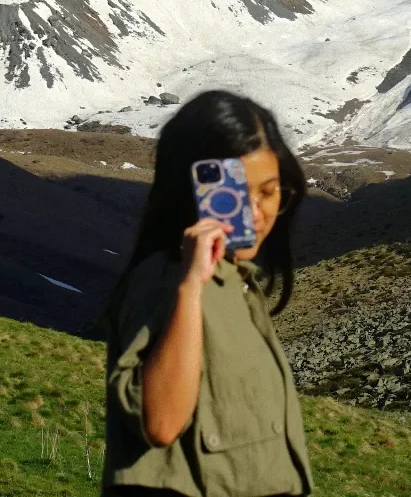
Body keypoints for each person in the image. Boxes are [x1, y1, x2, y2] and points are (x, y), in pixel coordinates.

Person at [102, 90, 312, 497]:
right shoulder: (168, 279)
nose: (256, 212)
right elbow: (160, 423)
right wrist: (189, 288)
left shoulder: (237, 282)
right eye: (237, 195)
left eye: (269, 192)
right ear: (194, 191)